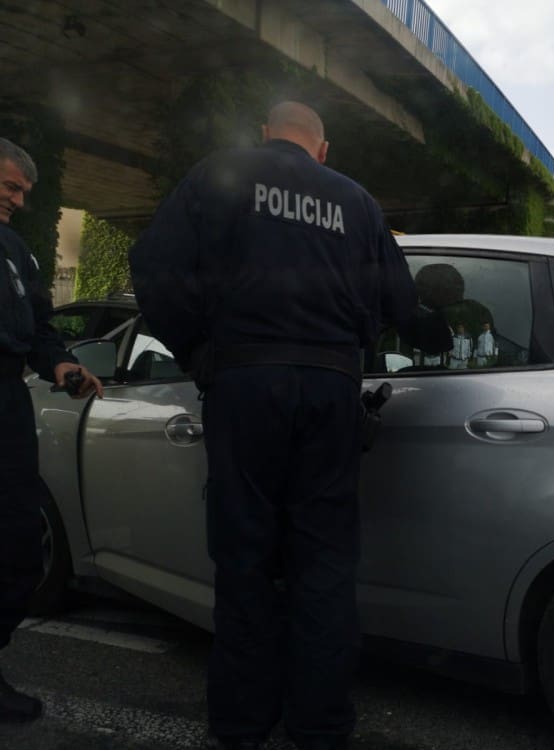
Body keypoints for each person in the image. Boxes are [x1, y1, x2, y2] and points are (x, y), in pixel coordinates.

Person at [129, 102, 423, 750]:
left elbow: (151, 266)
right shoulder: (356, 201)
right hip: (331, 389)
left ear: (265, 135)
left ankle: (241, 727)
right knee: (325, 562)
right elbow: (401, 301)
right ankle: (320, 727)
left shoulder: (220, 174)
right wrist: (357, 341)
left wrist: (199, 351)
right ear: (322, 148)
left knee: (245, 560)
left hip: (245, 383)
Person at [0, 137, 103, 722]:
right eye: (9, 186)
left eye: (23, 192)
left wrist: (60, 363)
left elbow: (40, 326)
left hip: (7, 403)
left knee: (17, 546)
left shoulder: (16, 249)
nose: (18, 200)